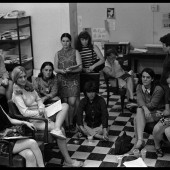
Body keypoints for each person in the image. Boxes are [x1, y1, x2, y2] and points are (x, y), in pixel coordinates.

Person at [11, 66, 84, 167]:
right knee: (62, 130)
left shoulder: (28, 86)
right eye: (20, 77)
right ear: (15, 78)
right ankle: (68, 160)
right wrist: (39, 112)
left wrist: (41, 107)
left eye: (24, 76)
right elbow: (24, 113)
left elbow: (38, 99)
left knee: (65, 105)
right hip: (35, 120)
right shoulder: (16, 94)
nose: (23, 79)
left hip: (43, 111)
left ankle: (56, 128)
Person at [131, 68, 165, 153]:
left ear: (152, 79)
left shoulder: (158, 89)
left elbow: (153, 105)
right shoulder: (139, 86)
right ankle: (139, 141)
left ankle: (138, 142)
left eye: (148, 77)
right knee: (139, 112)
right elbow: (140, 100)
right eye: (143, 77)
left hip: (158, 112)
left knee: (137, 117)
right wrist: (144, 108)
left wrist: (140, 106)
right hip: (146, 112)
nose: (145, 79)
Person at [54, 33, 82, 132]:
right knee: (64, 102)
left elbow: (80, 67)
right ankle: (67, 123)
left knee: (72, 102)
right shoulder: (57, 53)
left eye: (67, 41)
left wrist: (71, 71)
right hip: (62, 79)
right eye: (63, 41)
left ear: (70, 42)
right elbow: (55, 68)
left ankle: (71, 121)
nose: (65, 43)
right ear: (61, 42)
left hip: (73, 79)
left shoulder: (75, 52)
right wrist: (61, 71)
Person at [152, 70, 170, 157]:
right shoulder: (168, 93)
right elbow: (167, 110)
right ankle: (157, 147)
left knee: (167, 131)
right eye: (168, 84)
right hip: (168, 118)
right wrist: (162, 114)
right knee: (156, 128)